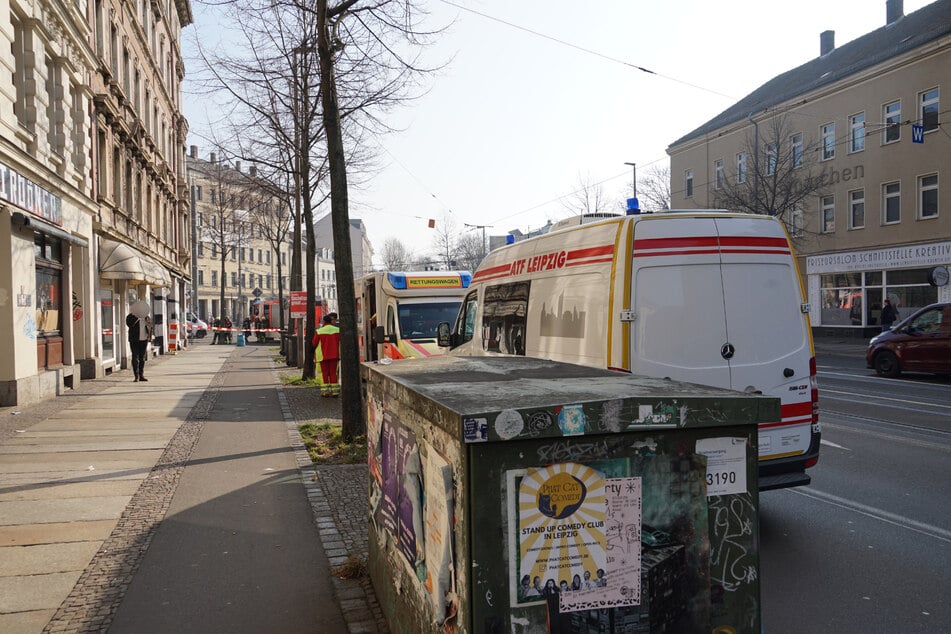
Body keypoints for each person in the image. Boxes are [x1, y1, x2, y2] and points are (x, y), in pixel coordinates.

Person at [313, 314, 341, 396]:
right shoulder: (338, 330)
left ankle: (325, 392)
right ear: (331, 321)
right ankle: (335, 392)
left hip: (322, 357)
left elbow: (314, 343)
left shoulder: (319, 331)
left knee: (324, 374)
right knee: (333, 373)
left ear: (324, 321)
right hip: (335, 356)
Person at [126, 300, 153, 382]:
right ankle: (136, 375)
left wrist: (149, 337)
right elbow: (129, 324)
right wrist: (136, 318)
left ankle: (141, 375)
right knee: (135, 357)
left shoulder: (147, 317)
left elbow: (150, 327)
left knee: (142, 358)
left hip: (144, 340)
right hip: (134, 340)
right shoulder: (130, 316)